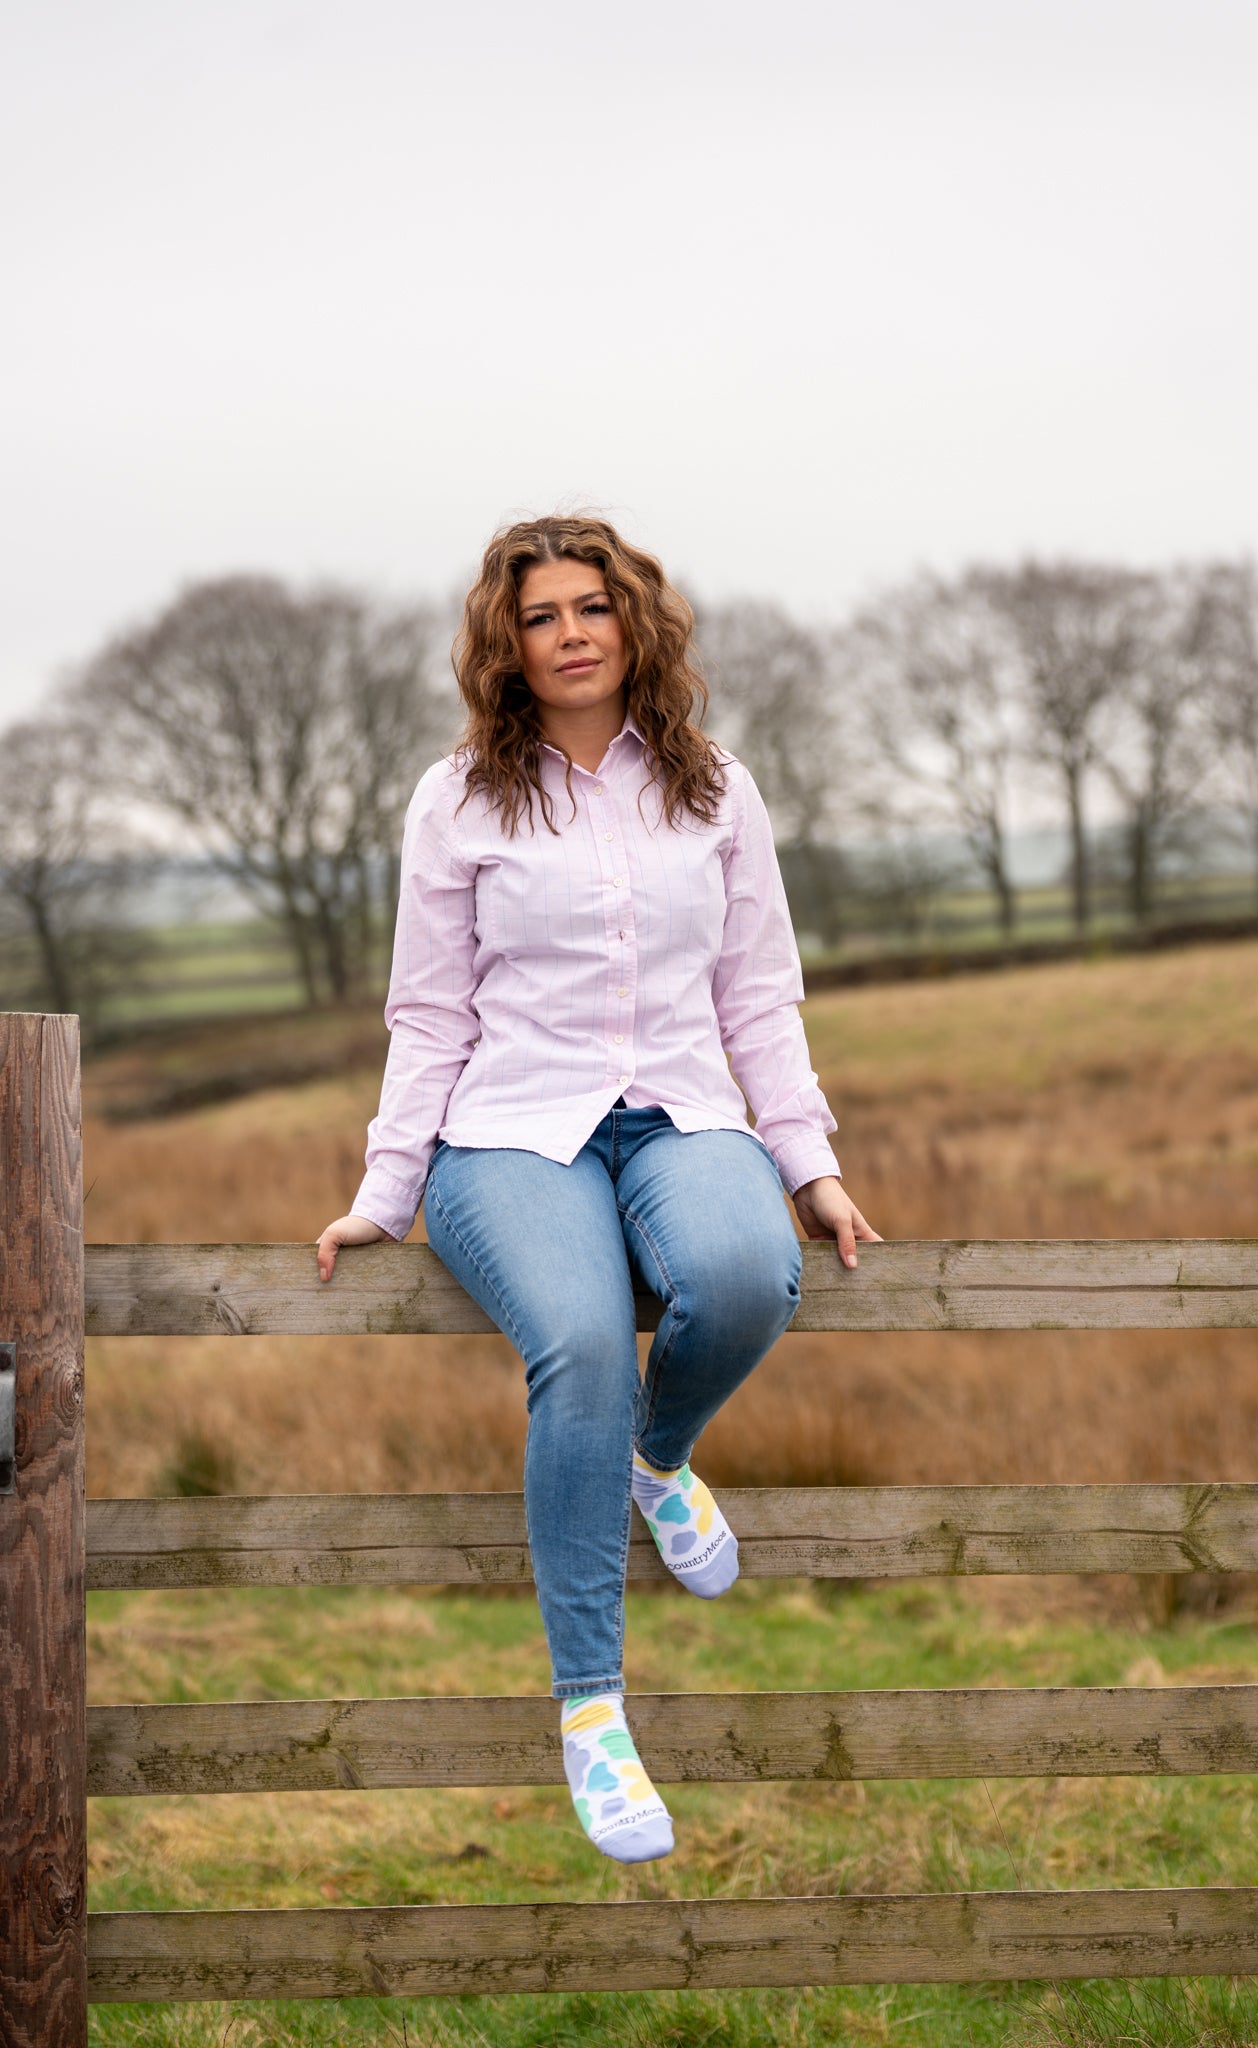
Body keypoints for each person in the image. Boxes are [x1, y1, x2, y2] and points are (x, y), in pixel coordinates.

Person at [316, 515, 879, 1863]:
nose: (569, 634)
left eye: (591, 607)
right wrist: (385, 1190)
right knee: (576, 1341)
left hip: (682, 1111)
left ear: (635, 623)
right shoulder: (458, 797)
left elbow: (757, 995)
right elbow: (430, 1010)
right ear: (504, 646)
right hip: (510, 1131)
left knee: (745, 1276)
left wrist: (808, 1163)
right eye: (539, 616)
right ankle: (591, 1710)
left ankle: (656, 1456)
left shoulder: (715, 788)